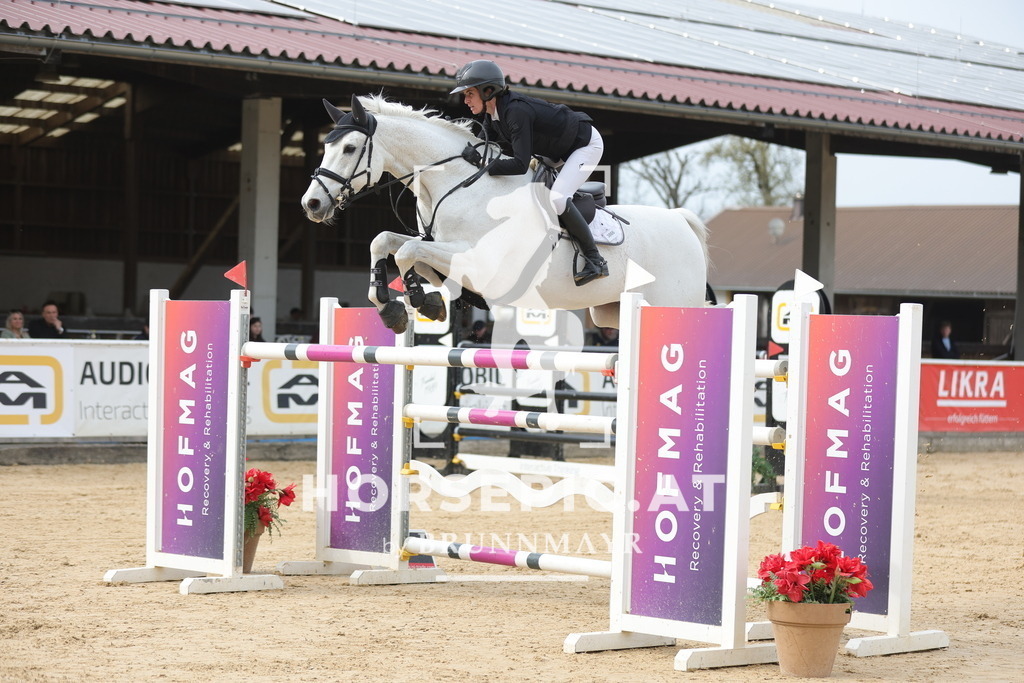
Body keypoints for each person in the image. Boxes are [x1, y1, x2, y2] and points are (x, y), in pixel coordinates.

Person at [451, 59, 608, 286]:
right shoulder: (493, 115)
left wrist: (482, 163)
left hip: (584, 145)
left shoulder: (515, 112)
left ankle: (595, 260)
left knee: (557, 198)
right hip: (557, 149)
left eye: (469, 94)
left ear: (488, 91)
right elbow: (487, 149)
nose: (465, 100)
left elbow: (519, 164)